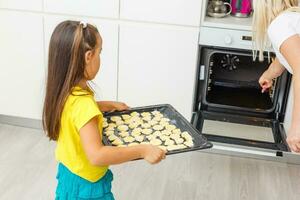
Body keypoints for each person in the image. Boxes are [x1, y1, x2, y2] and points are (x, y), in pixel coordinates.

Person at [42, 20, 166, 199]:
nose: (100, 57)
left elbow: (74, 116)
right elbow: (97, 155)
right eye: (100, 52)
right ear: (88, 56)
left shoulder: (63, 92)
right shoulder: (83, 104)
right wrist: (142, 150)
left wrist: (105, 105)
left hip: (69, 175)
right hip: (88, 188)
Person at [252, 0, 300, 152]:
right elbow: (285, 55)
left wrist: (297, 126)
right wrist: (269, 75)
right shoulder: (292, 19)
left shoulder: (280, 25)